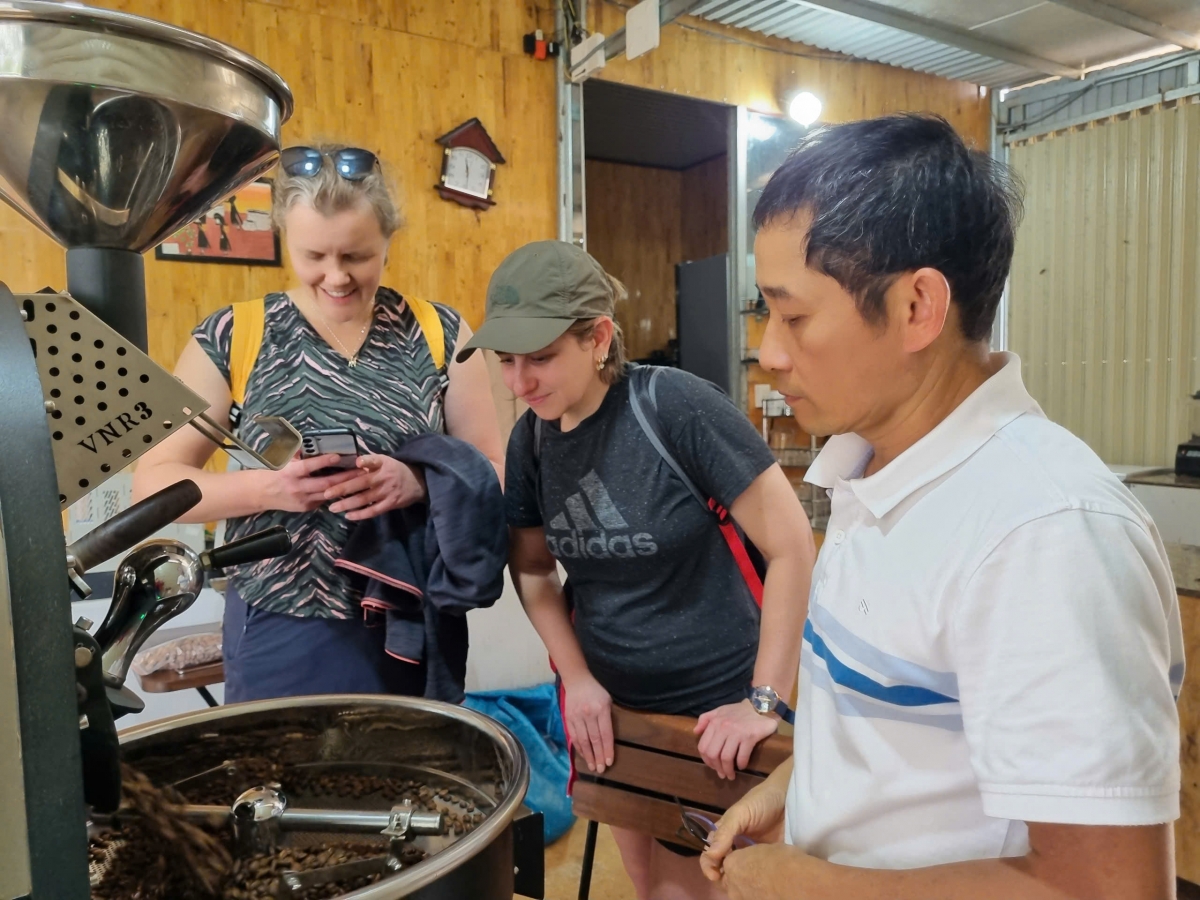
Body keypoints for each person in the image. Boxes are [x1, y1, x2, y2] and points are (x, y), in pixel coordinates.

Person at [700, 114, 1183, 900]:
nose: (772, 351)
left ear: (918, 306)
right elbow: (904, 733)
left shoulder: (1042, 537)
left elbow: (1106, 890)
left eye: (793, 316)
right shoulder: (869, 468)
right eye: (767, 315)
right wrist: (795, 788)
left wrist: (812, 886)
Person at [458, 240, 816, 900]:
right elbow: (533, 570)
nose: (518, 382)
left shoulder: (674, 408)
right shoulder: (532, 439)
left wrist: (763, 701)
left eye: (539, 358)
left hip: (719, 714)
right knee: (652, 884)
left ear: (597, 337)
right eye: (505, 361)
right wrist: (579, 678)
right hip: (618, 716)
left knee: (708, 885)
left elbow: (793, 546)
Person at [133, 144, 503, 702]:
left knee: (402, 785)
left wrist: (418, 482)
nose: (336, 277)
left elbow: (495, 470)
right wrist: (270, 488)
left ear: (388, 241)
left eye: (357, 256)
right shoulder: (236, 335)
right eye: (314, 256)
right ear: (284, 238)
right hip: (278, 624)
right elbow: (152, 483)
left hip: (404, 622)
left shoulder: (440, 333)